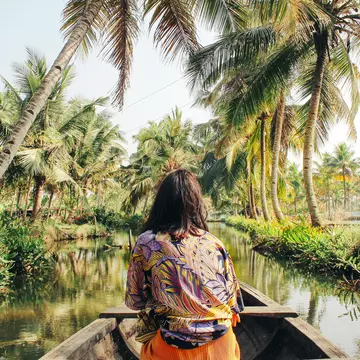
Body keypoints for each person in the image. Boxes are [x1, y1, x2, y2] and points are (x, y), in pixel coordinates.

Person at [125, 169, 243, 360]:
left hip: (173, 350)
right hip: (223, 347)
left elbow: (134, 301)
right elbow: (234, 304)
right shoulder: (214, 243)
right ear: (196, 204)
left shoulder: (146, 242)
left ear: (161, 203)